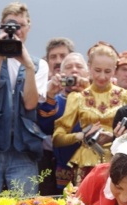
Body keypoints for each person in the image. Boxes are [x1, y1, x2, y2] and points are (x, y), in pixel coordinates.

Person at [0, 2, 48, 195]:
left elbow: (31, 104)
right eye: (10, 25)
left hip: (23, 152)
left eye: (20, 26)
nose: (16, 31)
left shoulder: (39, 65)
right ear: (0, 27)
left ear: (28, 28)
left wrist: (29, 67)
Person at [53, 42, 127, 182]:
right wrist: (81, 135)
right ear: (89, 67)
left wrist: (114, 137)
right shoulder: (78, 98)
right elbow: (57, 138)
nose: (102, 76)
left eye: (107, 71)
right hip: (86, 166)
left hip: (118, 164)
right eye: (97, 70)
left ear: (115, 69)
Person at [37, 52, 89, 191]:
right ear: (60, 73)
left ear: (88, 72)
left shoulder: (97, 98)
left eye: (79, 66)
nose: (74, 70)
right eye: (68, 67)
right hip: (62, 170)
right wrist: (50, 95)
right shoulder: (57, 101)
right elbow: (45, 128)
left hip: (91, 164)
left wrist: (88, 89)